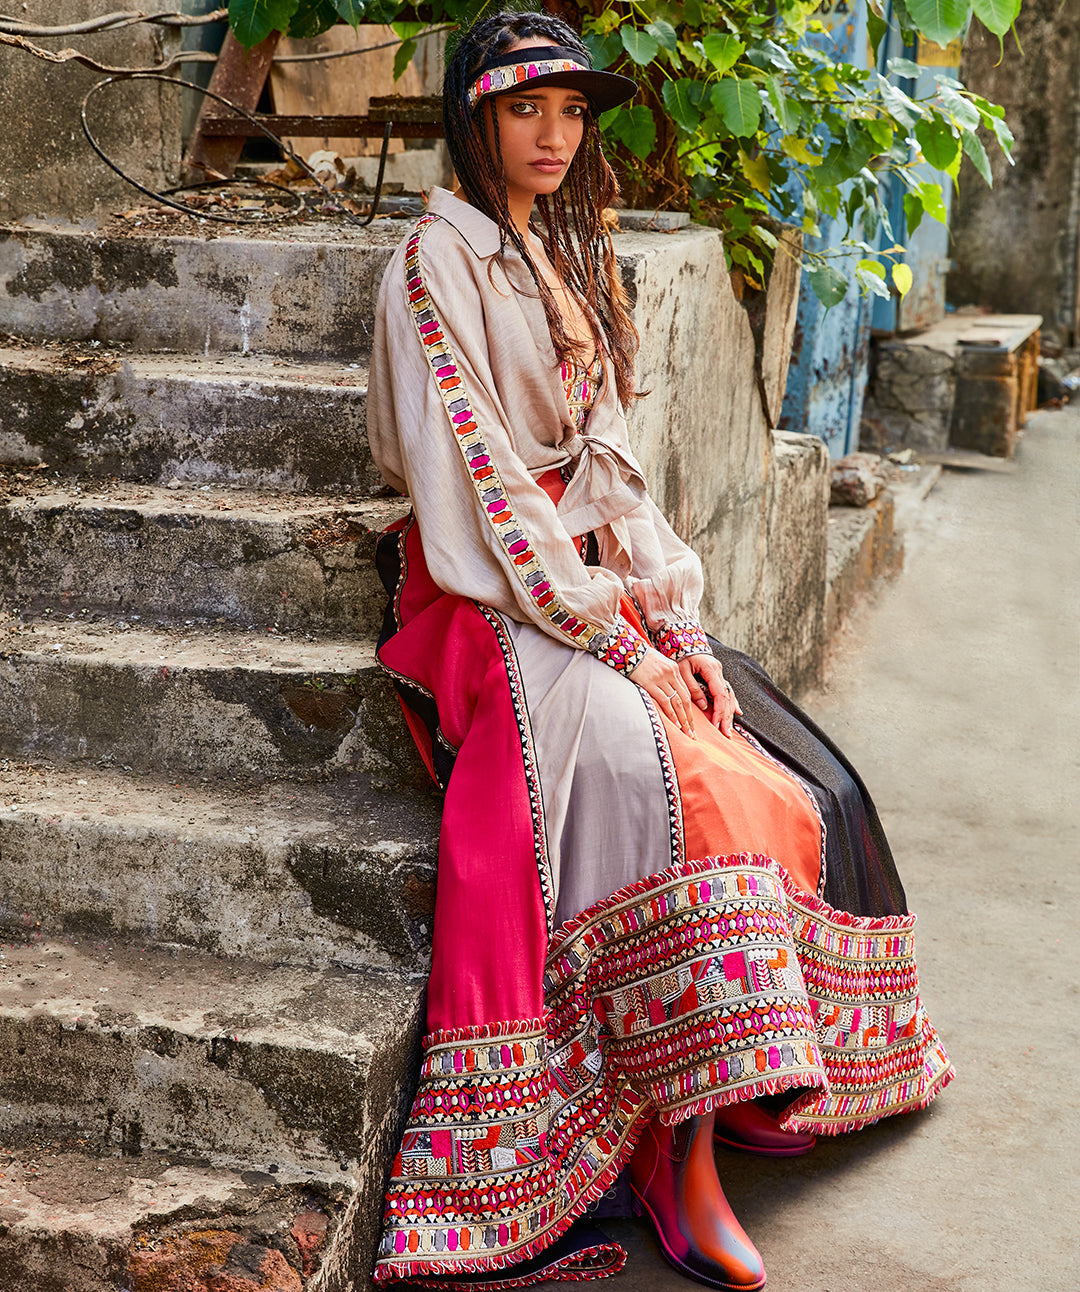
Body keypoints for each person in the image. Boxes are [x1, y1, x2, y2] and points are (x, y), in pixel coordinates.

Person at [366, 11, 953, 1290]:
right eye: (527, 109)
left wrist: (670, 617)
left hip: (589, 584)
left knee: (770, 767)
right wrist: (612, 641)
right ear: (473, 116)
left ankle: (690, 1125)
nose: (555, 135)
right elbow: (487, 498)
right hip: (490, 601)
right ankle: (662, 1155)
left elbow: (614, 471)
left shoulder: (561, 254)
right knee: (659, 779)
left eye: (572, 111)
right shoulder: (434, 264)